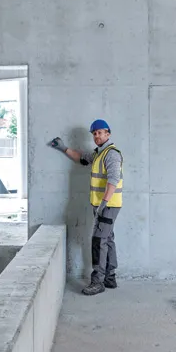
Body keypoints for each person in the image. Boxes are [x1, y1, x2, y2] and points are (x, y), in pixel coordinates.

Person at [49, 119, 123, 296]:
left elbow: (113, 180)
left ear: (108, 133)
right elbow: (81, 157)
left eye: (100, 132)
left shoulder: (111, 154)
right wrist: (62, 148)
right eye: (94, 133)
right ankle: (110, 277)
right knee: (108, 239)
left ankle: (98, 282)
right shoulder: (98, 153)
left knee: (98, 240)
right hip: (103, 205)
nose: (97, 136)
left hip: (108, 205)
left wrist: (103, 204)